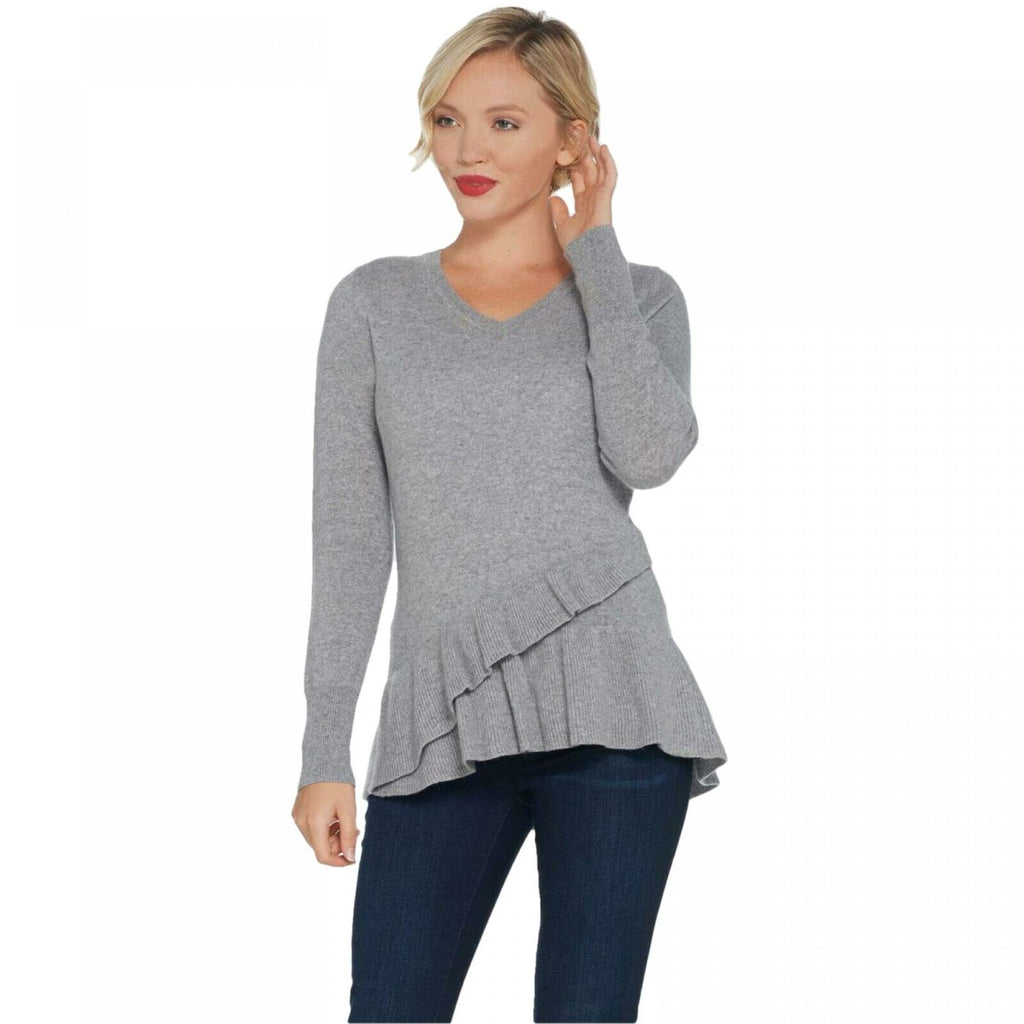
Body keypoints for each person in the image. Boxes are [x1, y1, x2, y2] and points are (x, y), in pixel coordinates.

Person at [291, 8, 728, 1022]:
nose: (466, 152)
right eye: (447, 121)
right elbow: (350, 537)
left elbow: (650, 456)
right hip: (441, 722)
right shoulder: (373, 303)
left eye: (503, 123)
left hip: (618, 713)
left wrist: (598, 253)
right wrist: (324, 749)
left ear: (573, 139)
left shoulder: (641, 296)